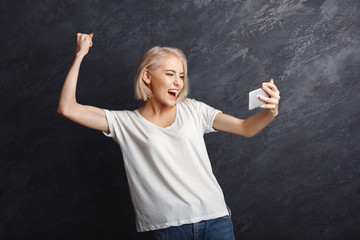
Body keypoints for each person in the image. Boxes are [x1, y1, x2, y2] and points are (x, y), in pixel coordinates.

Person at [57, 33, 280, 240]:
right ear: (147, 76)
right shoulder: (125, 123)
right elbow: (67, 107)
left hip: (216, 221)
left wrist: (269, 113)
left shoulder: (194, 110)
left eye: (181, 76)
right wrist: (80, 55)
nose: (178, 82)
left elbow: (245, 128)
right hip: (168, 229)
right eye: (170, 74)